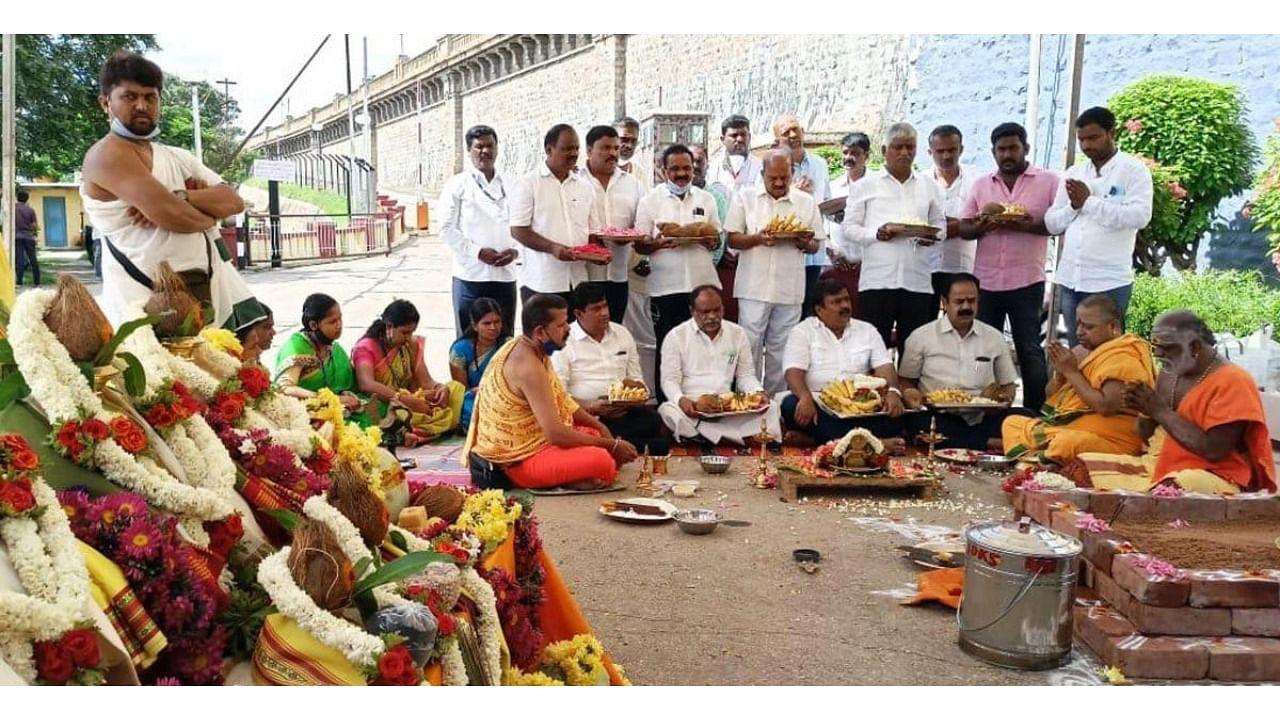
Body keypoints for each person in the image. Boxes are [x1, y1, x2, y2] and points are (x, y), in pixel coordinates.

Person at [80, 51, 268, 332]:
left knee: (213, 372)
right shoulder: (105, 156)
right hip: (144, 301)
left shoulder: (177, 157)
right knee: (159, 376)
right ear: (105, 102)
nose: (142, 105)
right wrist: (205, 216)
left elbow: (233, 201)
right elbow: (175, 217)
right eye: (129, 97)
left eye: (150, 97)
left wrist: (182, 197)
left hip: (201, 291)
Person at [1080, 310, 1277, 494]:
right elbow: (1147, 435)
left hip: (1213, 474)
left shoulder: (1233, 381)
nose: (1159, 355)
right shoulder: (1170, 372)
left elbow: (1214, 451)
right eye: (1156, 348)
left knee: (1168, 490)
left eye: (1167, 348)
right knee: (1080, 469)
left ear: (1194, 347)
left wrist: (1158, 410)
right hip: (1157, 465)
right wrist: (1143, 409)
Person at [463, 293, 639, 490]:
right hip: (515, 461)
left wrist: (603, 431)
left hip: (534, 442)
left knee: (593, 431)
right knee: (602, 462)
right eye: (562, 325)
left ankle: (567, 476)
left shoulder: (532, 348)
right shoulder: (528, 366)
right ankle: (539, 479)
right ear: (540, 332)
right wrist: (611, 445)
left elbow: (562, 400)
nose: (568, 329)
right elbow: (556, 434)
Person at [959, 122, 1058, 412]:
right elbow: (965, 228)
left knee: (1029, 348)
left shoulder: (1049, 181)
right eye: (1001, 149)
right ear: (993, 152)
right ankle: (984, 408)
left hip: (1026, 278)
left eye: (1013, 148)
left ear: (1025, 148)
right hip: (987, 281)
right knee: (985, 349)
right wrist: (982, 225)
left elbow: (1056, 225)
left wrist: (1025, 224)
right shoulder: (981, 184)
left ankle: (1034, 412)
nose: (1007, 154)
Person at [1002, 294, 1156, 464]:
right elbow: (1051, 400)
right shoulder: (1080, 352)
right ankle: (1047, 457)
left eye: (1088, 327)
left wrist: (1072, 373)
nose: (1079, 332)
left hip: (1113, 441)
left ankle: (1043, 456)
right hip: (1073, 429)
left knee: (1066, 443)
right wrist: (1060, 373)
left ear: (1113, 327)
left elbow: (1105, 407)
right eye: (1078, 325)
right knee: (1012, 423)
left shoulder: (1123, 356)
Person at [1045, 106, 1154, 345]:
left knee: (1109, 354)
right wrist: (1074, 207)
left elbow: (1139, 216)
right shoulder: (1074, 173)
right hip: (1071, 279)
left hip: (1109, 281)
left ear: (1111, 133)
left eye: (1093, 138)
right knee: (1079, 350)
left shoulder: (1133, 171)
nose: (1086, 145)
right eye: (1081, 139)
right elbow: (1052, 223)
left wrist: (1089, 202)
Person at [842, 122, 946, 356]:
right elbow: (849, 228)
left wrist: (930, 237)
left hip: (916, 280)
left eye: (910, 147)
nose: (905, 153)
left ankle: (908, 392)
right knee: (873, 351)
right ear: (884, 150)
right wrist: (875, 234)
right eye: (898, 147)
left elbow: (940, 226)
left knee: (914, 352)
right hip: (878, 280)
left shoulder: (929, 186)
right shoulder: (865, 186)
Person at [726, 149, 825, 395]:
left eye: (785, 177)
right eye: (773, 178)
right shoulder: (745, 197)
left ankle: (776, 405)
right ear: (763, 174)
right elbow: (732, 239)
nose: (780, 183)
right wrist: (757, 238)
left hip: (789, 287)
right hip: (753, 286)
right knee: (749, 346)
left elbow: (815, 243)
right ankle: (749, 399)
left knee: (782, 349)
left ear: (792, 173)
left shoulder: (806, 201)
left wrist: (802, 241)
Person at [634, 144, 723, 395]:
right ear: (663, 170)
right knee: (668, 348)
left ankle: (706, 398)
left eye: (686, 168)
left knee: (705, 345)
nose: (681, 174)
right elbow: (641, 244)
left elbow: (716, 237)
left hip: (702, 285)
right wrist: (657, 243)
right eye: (674, 169)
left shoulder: (706, 199)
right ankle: (668, 406)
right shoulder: (650, 201)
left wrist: (709, 240)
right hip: (666, 288)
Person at [899, 273, 1017, 450]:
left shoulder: (994, 337)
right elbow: (905, 380)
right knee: (917, 422)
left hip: (982, 416)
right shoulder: (921, 337)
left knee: (1025, 417)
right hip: (938, 415)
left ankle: (966, 441)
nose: (966, 307)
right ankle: (987, 443)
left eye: (972, 301)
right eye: (959, 301)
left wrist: (1002, 401)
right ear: (944, 303)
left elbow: (1008, 385)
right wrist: (910, 394)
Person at [780, 280, 905, 445]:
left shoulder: (867, 330)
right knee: (790, 406)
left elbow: (885, 367)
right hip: (820, 404)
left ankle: (822, 440)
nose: (845, 305)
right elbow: (793, 372)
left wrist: (893, 391)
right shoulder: (803, 331)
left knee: (897, 415)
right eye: (836, 302)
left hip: (863, 406)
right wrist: (804, 397)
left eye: (847, 300)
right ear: (819, 310)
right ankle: (872, 442)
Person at [552, 283, 668, 455]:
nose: (604, 313)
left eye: (605, 306)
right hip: (586, 414)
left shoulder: (622, 333)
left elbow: (638, 381)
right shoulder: (564, 341)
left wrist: (632, 397)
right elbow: (558, 395)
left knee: (653, 420)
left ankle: (609, 443)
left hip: (623, 411)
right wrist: (592, 406)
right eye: (596, 309)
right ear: (578, 314)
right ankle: (615, 443)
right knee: (657, 446)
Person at [658, 285, 782, 445]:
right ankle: (737, 437)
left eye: (717, 310)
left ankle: (705, 437)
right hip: (692, 407)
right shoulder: (676, 336)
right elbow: (669, 380)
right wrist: (681, 400)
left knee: (771, 407)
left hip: (727, 406)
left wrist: (758, 392)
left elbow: (746, 376)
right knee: (668, 411)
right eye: (705, 312)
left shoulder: (737, 333)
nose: (712, 316)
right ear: (692, 311)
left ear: (723, 308)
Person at [509, 123, 604, 306]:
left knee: (576, 335)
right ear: (549, 149)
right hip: (542, 283)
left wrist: (598, 253)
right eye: (567, 149)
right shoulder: (528, 184)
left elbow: (592, 232)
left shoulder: (585, 187)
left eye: (576, 148)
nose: (574, 154)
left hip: (578, 282)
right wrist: (552, 247)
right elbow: (518, 230)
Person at [440, 124, 518, 338]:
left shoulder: (512, 184)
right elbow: (446, 228)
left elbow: (524, 223)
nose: (485, 151)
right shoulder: (457, 184)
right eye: (479, 147)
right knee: (468, 341)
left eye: (489, 146)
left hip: (505, 275)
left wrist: (515, 252)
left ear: (497, 148)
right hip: (470, 276)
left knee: (504, 340)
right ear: (469, 151)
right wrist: (478, 252)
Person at [353, 299, 466, 444]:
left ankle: (419, 429)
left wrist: (440, 388)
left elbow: (425, 381)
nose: (408, 338)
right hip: (385, 403)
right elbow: (366, 384)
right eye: (405, 332)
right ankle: (411, 431)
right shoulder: (365, 347)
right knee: (375, 410)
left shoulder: (410, 344)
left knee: (455, 388)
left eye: (412, 332)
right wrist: (403, 400)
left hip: (411, 401)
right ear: (389, 326)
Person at [772, 114, 833, 319]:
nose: (792, 135)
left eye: (795, 130)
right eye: (785, 132)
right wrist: (794, 193)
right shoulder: (770, 166)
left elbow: (826, 199)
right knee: (786, 315)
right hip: (785, 252)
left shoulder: (820, 164)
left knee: (810, 313)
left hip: (814, 254)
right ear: (777, 139)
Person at [580, 125, 642, 322]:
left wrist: (630, 237)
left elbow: (642, 223)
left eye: (615, 148)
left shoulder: (632, 184)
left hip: (618, 274)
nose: (613, 153)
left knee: (614, 332)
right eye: (605, 148)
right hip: (584, 276)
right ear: (589, 150)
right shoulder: (575, 182)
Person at [275, 293, 366, 422]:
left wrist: (345, 395)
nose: (339, 325)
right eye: (332, 321)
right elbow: (284, 389)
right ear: (313, 325)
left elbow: (348, 387)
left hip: (338, 411)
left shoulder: (335, 349)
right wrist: (329, 400)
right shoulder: (297, 347)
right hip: (305, 415)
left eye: (340, 319)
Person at [822, 132, 871, 316]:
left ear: (867, 156)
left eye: (855, 153)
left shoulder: (878, 185)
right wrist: (832, 251)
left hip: (868, 266)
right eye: (845, 152)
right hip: (836, 266)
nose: (849, 157)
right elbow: (821, 228)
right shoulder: (832, 187)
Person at [924, 125, 974, 306]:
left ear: (961, 149)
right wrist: (959, 226)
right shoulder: (919, 183)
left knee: (962, 323)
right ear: (930, 152)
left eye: (952, 150)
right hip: (926, 267)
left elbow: (980, 222)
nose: (946, 156)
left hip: (964, 266)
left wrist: (941, 227)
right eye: (940, 151)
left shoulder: (976, 181)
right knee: (924, 324)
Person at [449, 297, 506, 432]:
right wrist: (479, 392)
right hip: (475, 398)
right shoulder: (460, 350)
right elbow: (461, 390)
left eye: (497, 322)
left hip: (503, 397)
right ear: (475, 326)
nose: (493, 327)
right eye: (486, 323)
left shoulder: (508, 345)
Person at [708, 115, 763, 192]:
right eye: (734, 136)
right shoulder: (713, 168)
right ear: (723, 139)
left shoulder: (760, 167)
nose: (740, 139)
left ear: (749, 137)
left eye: (743, 135)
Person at [614, 116, 651, 189]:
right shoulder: (596, 171)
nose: (629, 146)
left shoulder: (638, 173)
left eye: (634, 141)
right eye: (624, 139)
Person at [13, 190, 40, 286]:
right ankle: (37, 282)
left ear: (17, 198)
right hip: (29, 237)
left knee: (19, 259)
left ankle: (19, 281)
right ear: (27, 199)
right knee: (33, 259)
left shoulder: (13, 209)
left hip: (17, 236)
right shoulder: (30, 210)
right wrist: (34, 233)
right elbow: (34, 226)